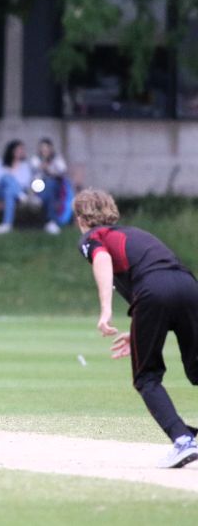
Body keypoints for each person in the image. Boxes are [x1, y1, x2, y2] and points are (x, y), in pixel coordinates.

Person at [74, 189, 198, 468]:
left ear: (81, 219)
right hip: (189, 286)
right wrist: (140, 329)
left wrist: (105, 309)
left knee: (146, 378)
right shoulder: (136, 233)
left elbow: (102, 259)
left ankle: (183, 440)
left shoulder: (93, 236)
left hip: (153, 292)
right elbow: (165, 281)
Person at [0, 140, 33, 234]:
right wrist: (9, 179)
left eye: (22, 150)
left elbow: (26, 183)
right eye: (18, 150)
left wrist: (12, 184)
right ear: (11, 150)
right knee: (6, 178)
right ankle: (22, 196)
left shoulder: (25, 166)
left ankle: (7, 225)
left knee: (9, 191)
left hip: (14, 192)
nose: (21, 152)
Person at [30, 138, 71, 235]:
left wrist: (49, 169)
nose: (44, 151)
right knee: (47, 187)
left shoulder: (57, 159)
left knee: (51, 184)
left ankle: (41, 199)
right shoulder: (35, 159)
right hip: (38, 187)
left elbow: (62, 171)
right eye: (42, 149)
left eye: (46, 149)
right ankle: (51, 222)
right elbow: (35, 171)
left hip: (55, 187)